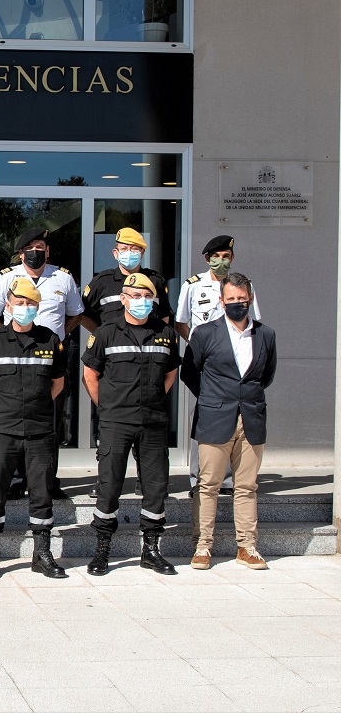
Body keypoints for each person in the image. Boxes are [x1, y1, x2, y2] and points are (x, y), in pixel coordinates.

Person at [81, 272, 180, 576]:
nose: (141, 301)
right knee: (109, 486)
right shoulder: (107, 332)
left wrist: (150, 401)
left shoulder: (165, 333)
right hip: (115, 422)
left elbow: (170, 373)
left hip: (152, 421)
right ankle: (102, 551)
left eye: (146, 297)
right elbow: (90, 374)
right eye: (134, 296)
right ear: (123, 299)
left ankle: (150, 551)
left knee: (155, 486)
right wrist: (109, 407)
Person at [0, 277, 67, 580]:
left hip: (40, 431)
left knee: (41, 494)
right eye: (19, 303)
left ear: (38, 307)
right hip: (3, 431)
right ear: (8, 305)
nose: (24, 308)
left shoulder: (51, 341)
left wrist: (34, 409)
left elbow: (57, 383)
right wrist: (3, 410)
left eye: (31, 304)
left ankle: (42, 554)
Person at [181, 272, 276, 570]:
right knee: (208, 484)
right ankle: (203, 546)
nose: (237, 304)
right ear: (221, 301)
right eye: (231, 299)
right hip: (214, 418)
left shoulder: (266, 334)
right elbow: (189, 372)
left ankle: (247, 547)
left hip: (251, 418)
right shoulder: (205, 333)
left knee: (246, 486)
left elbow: (266, 376)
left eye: (242, 299)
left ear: (250, 299)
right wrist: (213, 398)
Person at [0, 227, 83, 500]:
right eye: (30, 248)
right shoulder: (7, 278)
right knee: (15, 421)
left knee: (51, 420)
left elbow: (75, 314)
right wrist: (5, 337)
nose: (36, 252)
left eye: (41, 247)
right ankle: (16, 480)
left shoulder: (62, 278)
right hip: (14, 359)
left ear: (47, 251)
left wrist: (59, 338)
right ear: (21, 252)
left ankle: (48, 479)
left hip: (50, 360)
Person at [80, 227, 173, 499]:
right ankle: (105, 481)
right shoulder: (101, 281)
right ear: (115, 252)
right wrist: (101, 336)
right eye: (125, 249)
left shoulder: (154, 280)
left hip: (148, 361)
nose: (130, 254)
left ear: (142, 252)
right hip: (113, 363)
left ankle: (147, 481)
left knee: (149, 437)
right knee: (110, 435)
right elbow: (83, 314)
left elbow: (165, 316)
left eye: (136, 250)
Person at [176, 235, 263, 497]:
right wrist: (197, 344)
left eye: (226, 256)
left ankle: (227, 480)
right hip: (204, 362)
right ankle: (199, 480)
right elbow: (181, 321)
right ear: (207, 259)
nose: (221, 261)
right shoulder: (193, 285)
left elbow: (255, 320)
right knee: (204, 415)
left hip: (235, 363)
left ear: (232, 258)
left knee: (235, 416)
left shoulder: (243, 286)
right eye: (216, 257)